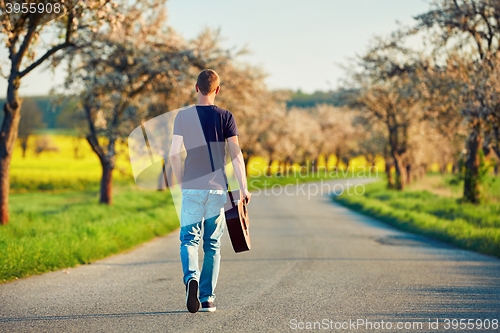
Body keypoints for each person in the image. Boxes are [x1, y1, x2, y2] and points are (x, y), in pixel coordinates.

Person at [169, 69, 251, 313]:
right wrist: (243, 188)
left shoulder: (183, 117)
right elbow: (236, 155)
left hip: (192, 186)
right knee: (212, 244)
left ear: (196, 88)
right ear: (217, 90)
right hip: (217, 189)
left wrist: (181, 180)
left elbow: (174, 153)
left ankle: (190, 278)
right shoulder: (226, 117)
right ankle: (207, 299)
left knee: (188, 240)